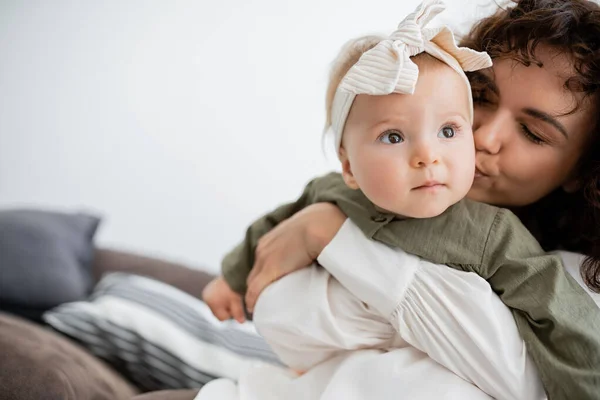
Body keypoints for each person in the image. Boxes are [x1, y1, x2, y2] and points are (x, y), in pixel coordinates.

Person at [201, 1, 600, 399]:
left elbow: (572, 355)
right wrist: (235, 275)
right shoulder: (344, 193)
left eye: (532, 133)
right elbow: (283, 222)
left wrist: (329, 233)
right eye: (480, 96)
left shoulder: (537, 259)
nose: (483, 138)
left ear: (584, 171)